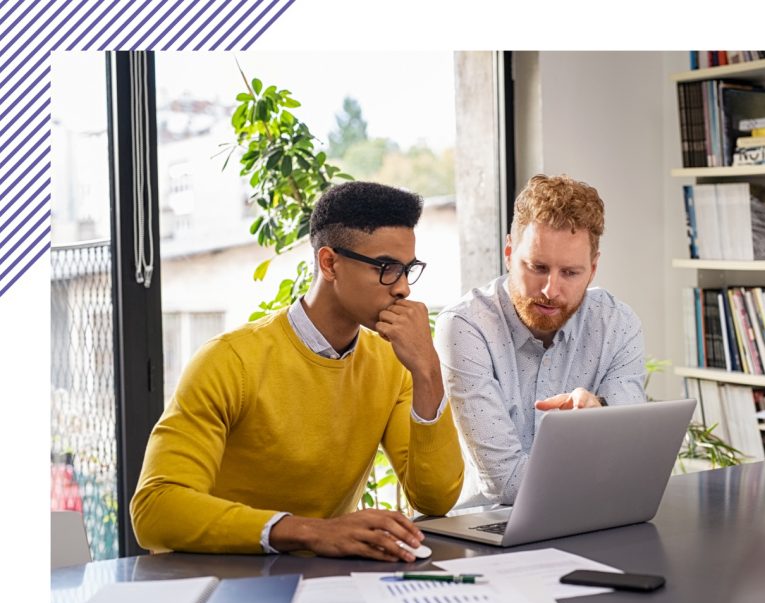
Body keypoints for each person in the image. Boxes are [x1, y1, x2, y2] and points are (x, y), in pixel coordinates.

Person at [132, 181, 463, 562]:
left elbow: (435, 498)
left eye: (408, 269)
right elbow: (156, 509)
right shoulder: (229, 361)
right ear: (329, 263)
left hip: (322, 583)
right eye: (387, 269)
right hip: (219, 579)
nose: (403, 288)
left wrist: (428, 372)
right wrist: (309, 532)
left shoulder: (392, 362)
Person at [434, 173, 645, 507]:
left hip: (586, 520)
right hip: (483, 531)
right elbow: (506, 484)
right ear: (508, 253)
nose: (550, 290)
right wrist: (601, 451)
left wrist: (600, 411)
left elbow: (633, 453)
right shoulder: (465, 326)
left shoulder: (618, 324)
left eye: (571, 273)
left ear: (593, 269)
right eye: (537, 267)